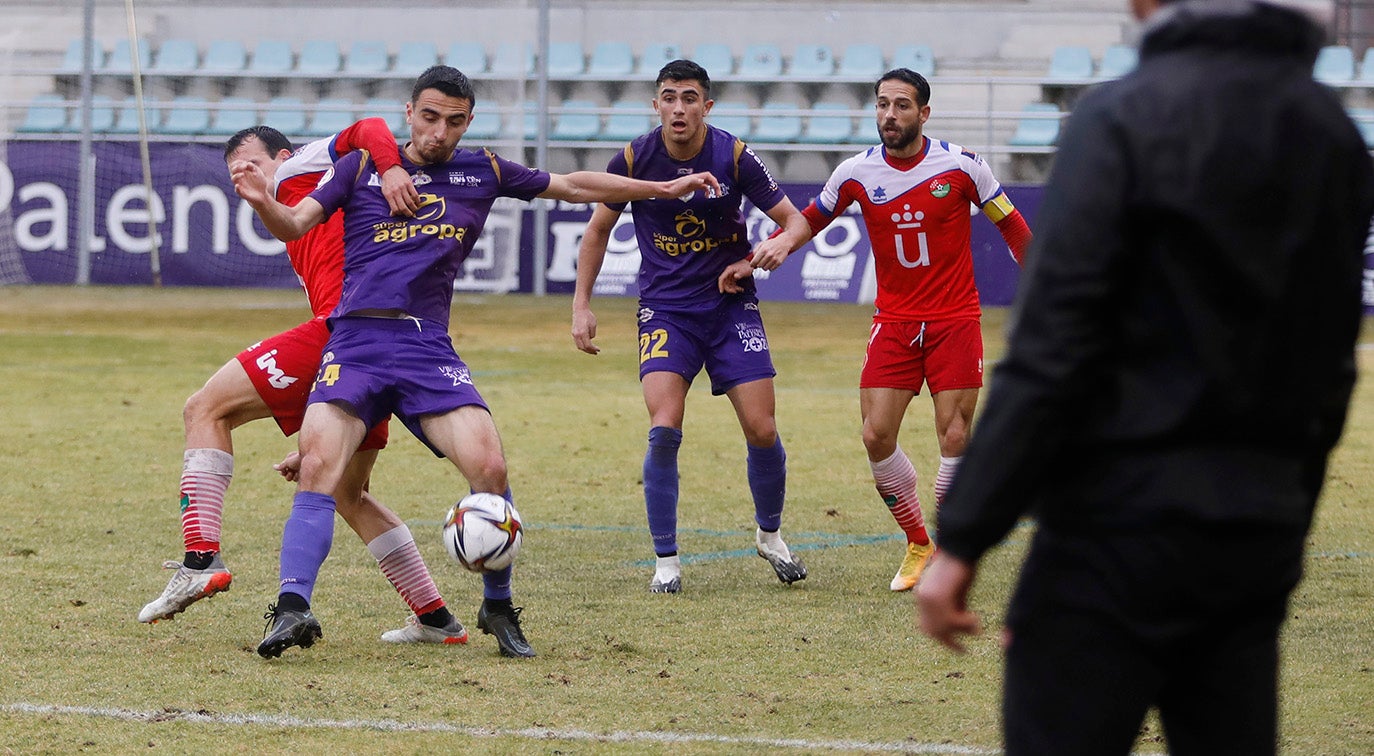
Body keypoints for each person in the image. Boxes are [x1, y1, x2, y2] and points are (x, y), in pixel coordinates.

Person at [915, 0, 1374, 752]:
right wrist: (1284, 525)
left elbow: (1053, 348)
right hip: (1250, 541)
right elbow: (1329, 371)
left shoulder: (1123, 117)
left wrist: (965, 538)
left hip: (1111, 535)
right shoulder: (1333, 137)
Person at [231, 64, 720, 658]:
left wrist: (661, 190)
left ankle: (498, 607)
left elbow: (572, 185)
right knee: (317, 469)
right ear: (409, 113)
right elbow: (293, 225)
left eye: (454, 121)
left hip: (425, 347)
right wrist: (262, 203)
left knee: (488, 468)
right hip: (354, 341)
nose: (439, 132)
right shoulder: (359, 168)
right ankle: (290, 609)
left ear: (469, 122)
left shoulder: (482, 169)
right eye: (430, 117)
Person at [139, 122, 471, 647]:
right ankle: (435, 618)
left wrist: (389, 170)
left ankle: (200, 558)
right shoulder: (287, 213)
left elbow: (371, 128)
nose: (245, 178)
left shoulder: (308, 166)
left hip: (344, 331)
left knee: (205, 408)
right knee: (348, 491)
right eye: (234, 175)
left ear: (285, 155)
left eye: (252, 165)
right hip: (368, 350)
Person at [571, 59, 813, 594]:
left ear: (707, 105)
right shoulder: (635, 158)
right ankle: (667, 563)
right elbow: (596, 232)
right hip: (666, 311)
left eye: (689, 98)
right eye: (668, 97)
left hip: (731, 308)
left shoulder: (733, 154)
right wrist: (581, 305)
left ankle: (770, 536)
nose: (678, 107)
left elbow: (793, 222)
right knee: (664, 426)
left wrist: (759, 257)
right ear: (655, 104)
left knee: (763, 429)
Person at [787, 68, 1031, 592]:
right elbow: (813, 216)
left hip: (955, 319)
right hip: (893, 322)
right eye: (882, 105)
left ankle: (952, 548)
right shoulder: (855, 172)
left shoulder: (962, 166)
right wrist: (779, 247)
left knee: (955, 435)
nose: (889, 115)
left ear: (923, 113)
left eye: (901, 106)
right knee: (876, 434)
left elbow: (1011, 223)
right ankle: (919, 541)